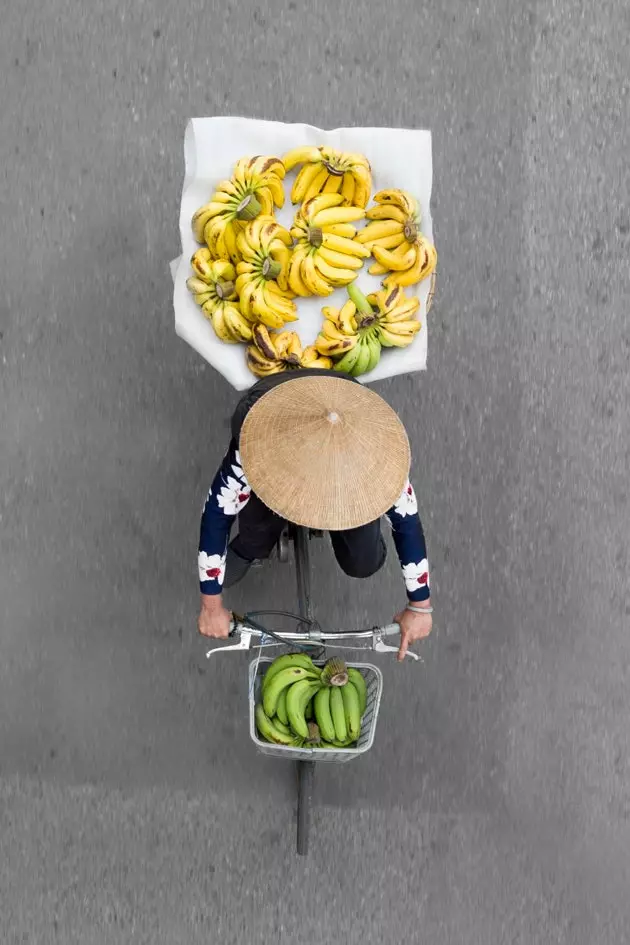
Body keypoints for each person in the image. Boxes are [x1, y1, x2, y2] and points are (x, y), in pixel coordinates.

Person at [197, 370, 432, 661]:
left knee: (362, 561)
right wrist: (211, 605)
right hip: (277, 406)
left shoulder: (376, 455)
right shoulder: (258, 446)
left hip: (342, 399)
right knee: (257, 533)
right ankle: (253, 546)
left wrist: (420, 606)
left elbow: (407, 522)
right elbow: (217, 513)